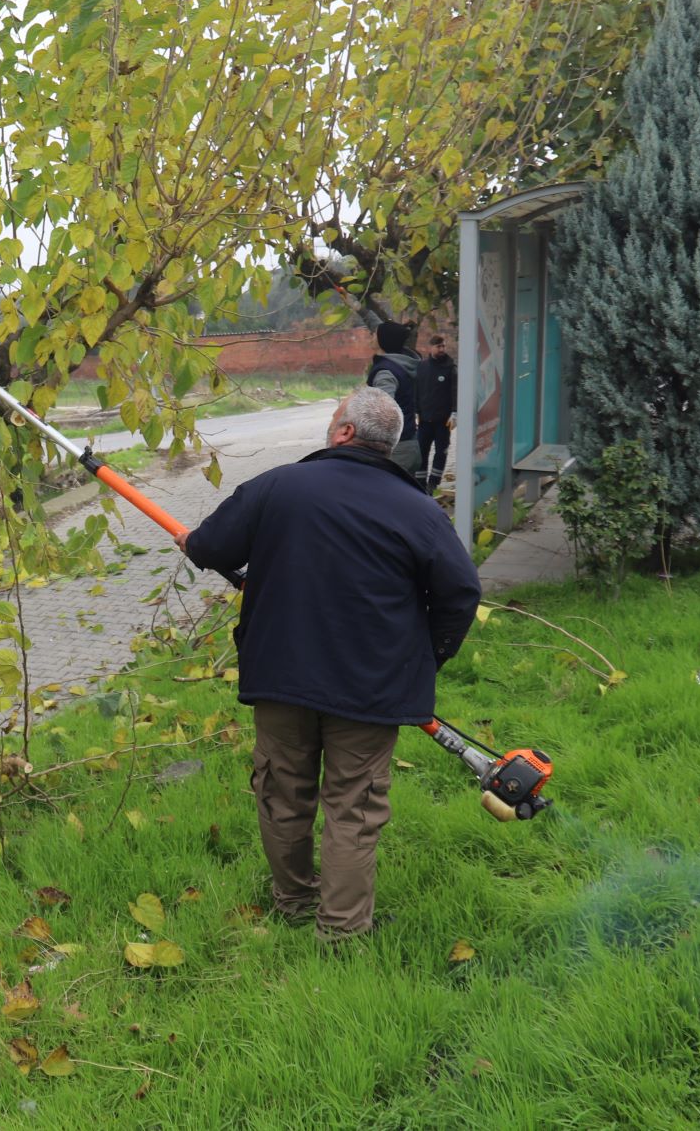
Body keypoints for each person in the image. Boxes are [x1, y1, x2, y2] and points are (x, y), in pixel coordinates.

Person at [175, 387, 482, 945]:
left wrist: (194, 542)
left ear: (343, 432)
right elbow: (461, 591)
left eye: (333, 416)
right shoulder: (418, 510)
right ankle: (340, 931)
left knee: (283, 791)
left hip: (281, 677)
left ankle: (294, 901)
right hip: (372, 688)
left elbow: (211, 548)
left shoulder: (278, 486)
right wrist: (425, 658)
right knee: (355, 806)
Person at [366, 321, 423, 474]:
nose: (371, 336)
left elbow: (383, 413)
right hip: (410, 443)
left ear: (382, 340)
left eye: (374, 334)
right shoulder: (402, 362)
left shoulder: (385, 373)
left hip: (396, 452)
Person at [414, 333, 456, 494]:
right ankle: (420, 483)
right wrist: (416, 411)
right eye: (439, 346)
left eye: (443, 346)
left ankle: (434, 483)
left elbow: (455, 391)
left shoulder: (450, 367)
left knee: (441, 452)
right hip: (424, 420)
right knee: (421, 453)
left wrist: (455, 412)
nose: (442, 349)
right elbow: (416, 391)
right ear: (430, 347)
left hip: (443, 421)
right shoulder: (422, 367)